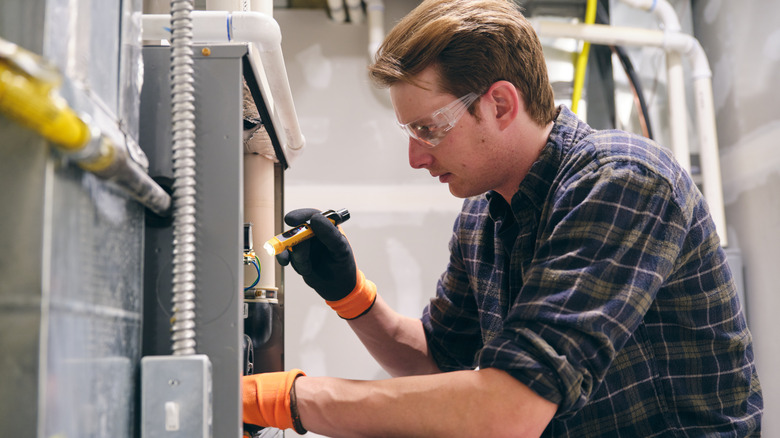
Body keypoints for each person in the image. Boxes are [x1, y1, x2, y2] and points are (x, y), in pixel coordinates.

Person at [242, 0, 763, 435]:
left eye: (428, 129)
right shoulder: (483, 214)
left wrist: (290, 398)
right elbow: (439, 358)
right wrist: (351, 296)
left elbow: (509, 410)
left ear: (500, 104)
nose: (415, 158)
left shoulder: (624, 181)